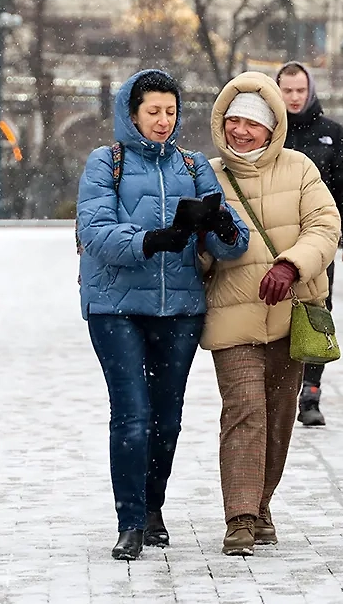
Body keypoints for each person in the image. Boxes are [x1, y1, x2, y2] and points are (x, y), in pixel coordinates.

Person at [76, 70, 249, 561]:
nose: (163, 121)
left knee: (166, 421)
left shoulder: (193, 166)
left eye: (170, 111)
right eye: (153, 111)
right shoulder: (105, 163)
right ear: (131, 114)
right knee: (133, 416)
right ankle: (129, 522)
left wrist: (219, 225)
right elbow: (95, 230)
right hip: (116, 308)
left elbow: (234, 242)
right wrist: (152, 240)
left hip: (179, 311)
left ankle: (153, 509)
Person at [200, 72, 341, 556]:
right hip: (232, 316)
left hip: (289, 315)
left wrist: (291, 264)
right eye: (233, 121)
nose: (241, 131)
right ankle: (239, 517)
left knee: (279, 417)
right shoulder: (207, 175)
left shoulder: (300, 169)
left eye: (253, 124)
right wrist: (202, 243)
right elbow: (197, 252)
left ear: (273, 127)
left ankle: (261, 505)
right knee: (245, 412)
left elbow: (324, 226)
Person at [276, 61, 343, 427]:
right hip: (276, 237)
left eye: (300, 90)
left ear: (310, 90)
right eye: (288, 90)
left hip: (318, 238)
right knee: (275, 311)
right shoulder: (270, 130)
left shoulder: (331, 133)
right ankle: (279, 388)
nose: (294, 97)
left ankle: (311, 393)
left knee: (316, 310)